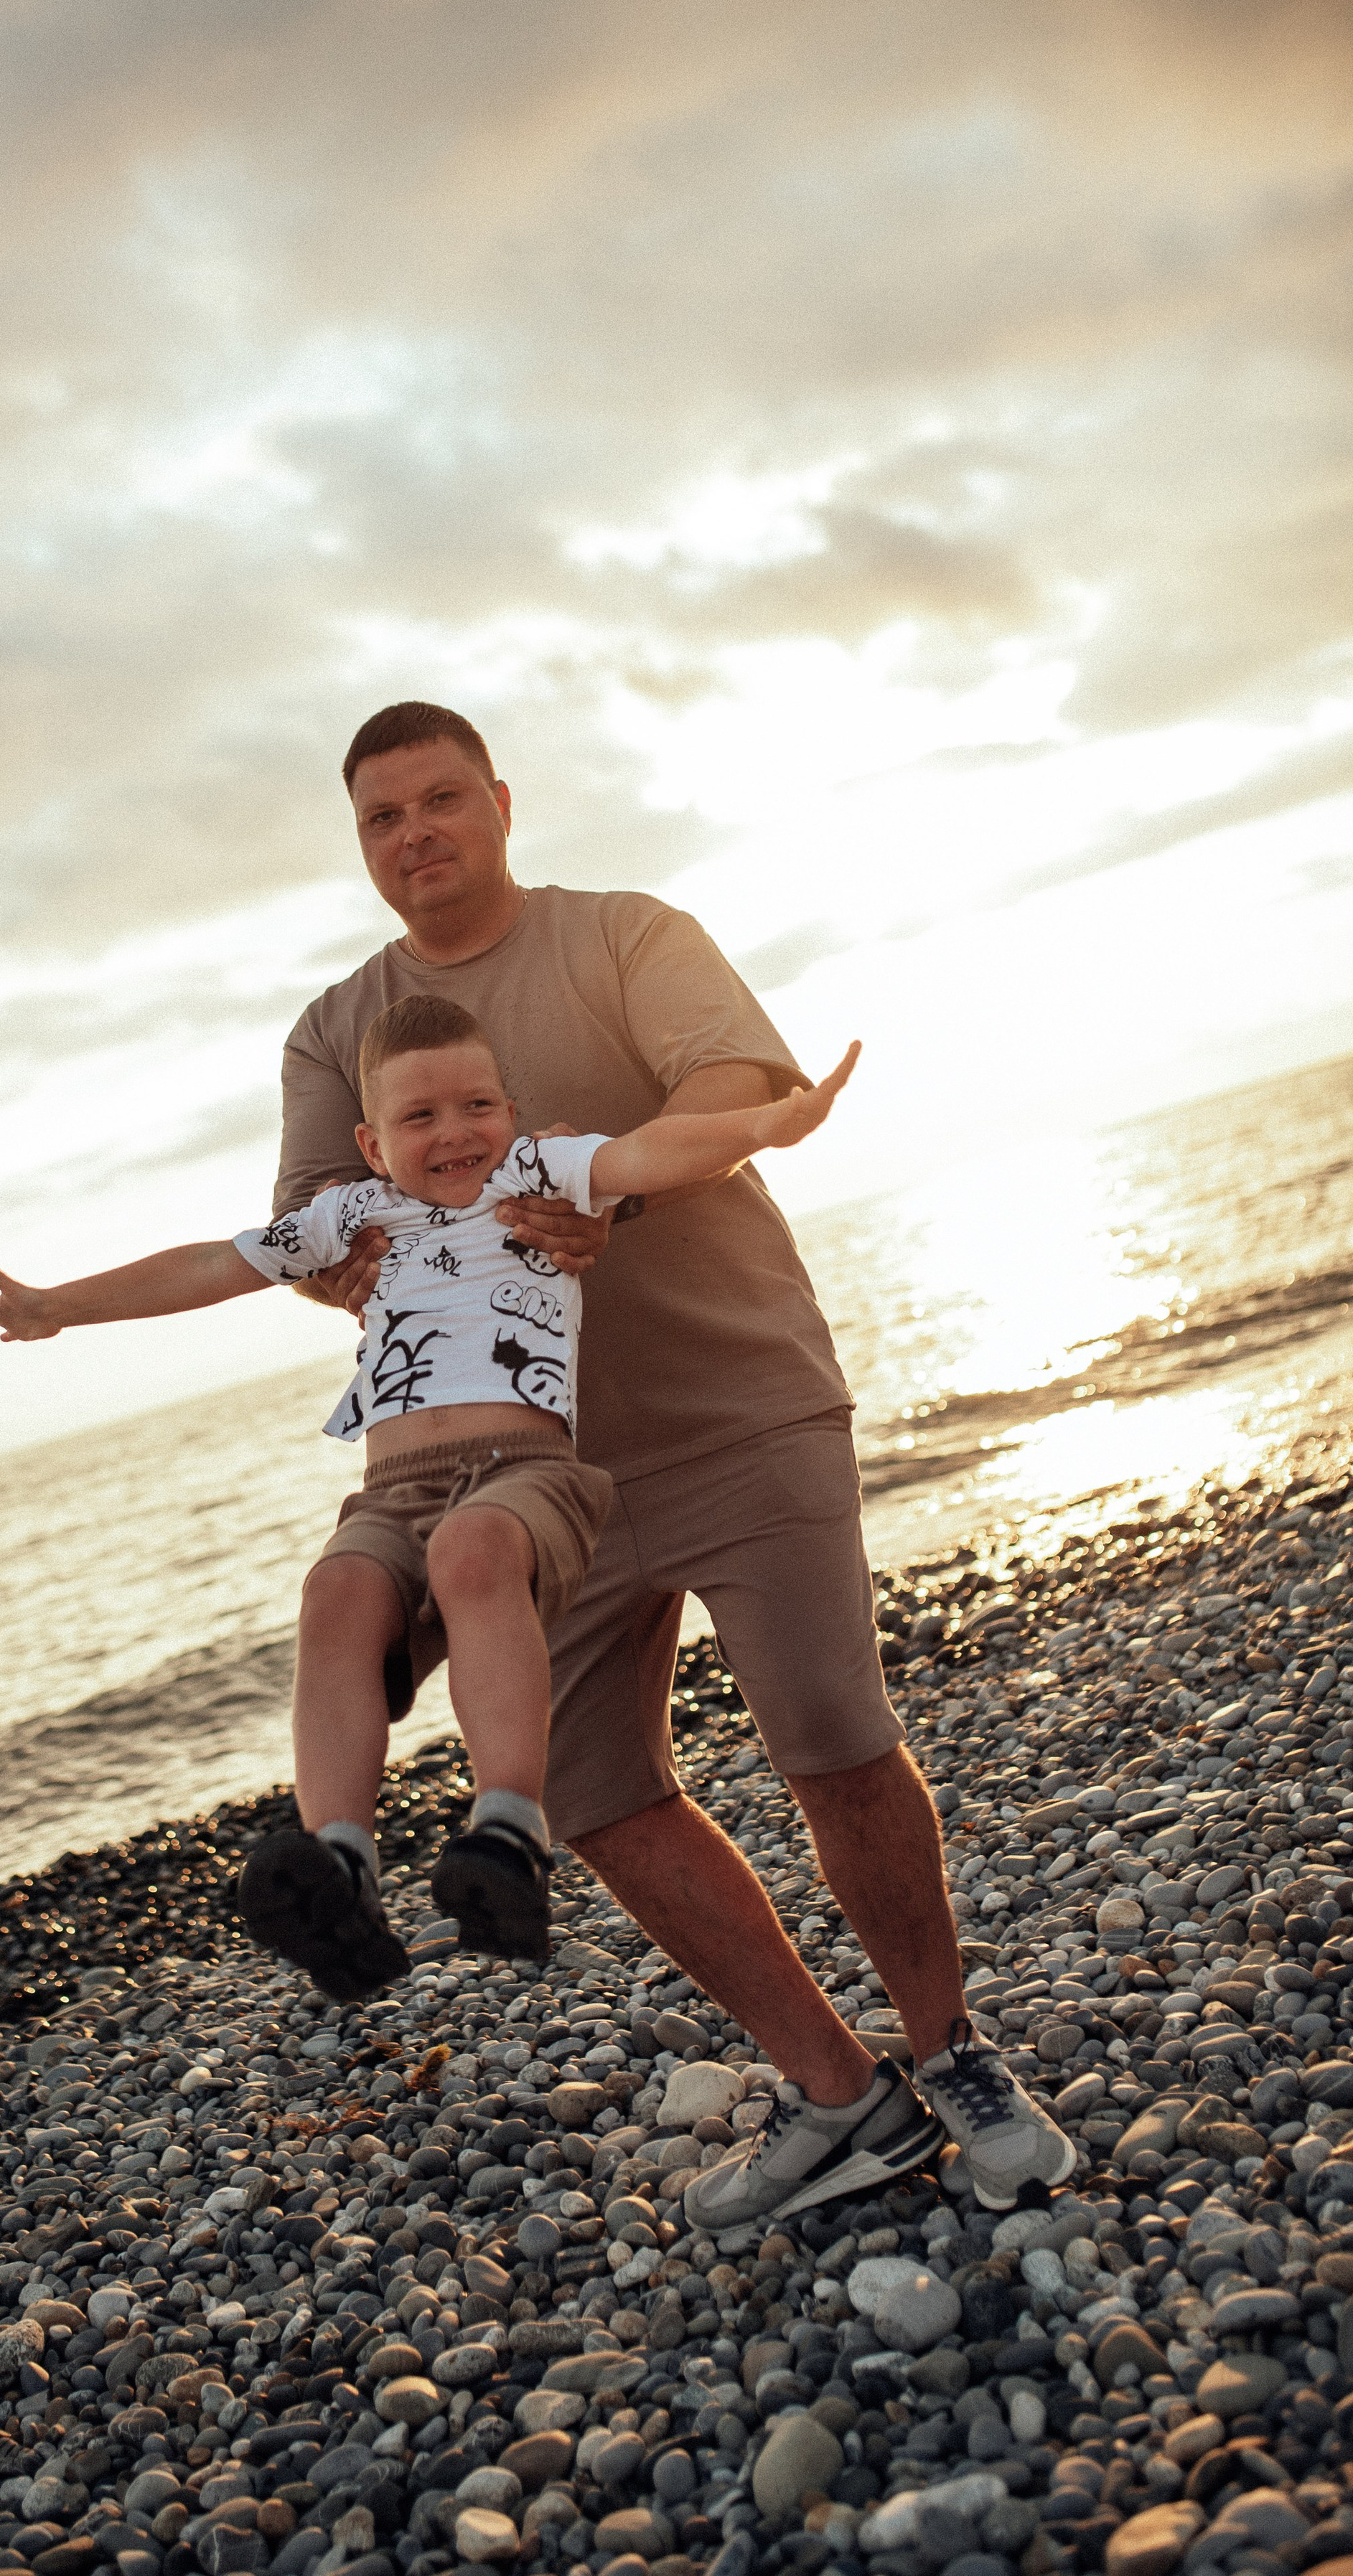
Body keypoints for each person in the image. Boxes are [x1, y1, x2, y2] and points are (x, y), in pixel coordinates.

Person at [270, 699, 1075, 2221]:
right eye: (382, 816)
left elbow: (730, 1098)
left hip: (736, 1400)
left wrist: (597, 1190)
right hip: (528, 1478)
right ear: (362, 842)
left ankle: (949, 2048)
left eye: (440, 801)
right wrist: (370, 1242)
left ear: (500, 803)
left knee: (832, 1734)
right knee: (589, 1793)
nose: (414, 835)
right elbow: (321, 1218)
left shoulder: (627, 934)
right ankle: (840, 2096)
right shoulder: (336, 1026)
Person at [0, 992, 858, 2008]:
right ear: (371, 1144)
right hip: (390, 1488)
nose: (455, 1132)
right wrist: (58, 1308)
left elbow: (653, 1156)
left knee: (471, 1555)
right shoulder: (351, 1218)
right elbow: (213, 1263)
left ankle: (509, 1830)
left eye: (478, 1104)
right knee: (336, 1594)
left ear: (510, 1112)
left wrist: (770, 1126)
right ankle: (339, 1861)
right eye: (419, 1118)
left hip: (524, 1474)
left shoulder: (537, 1172)